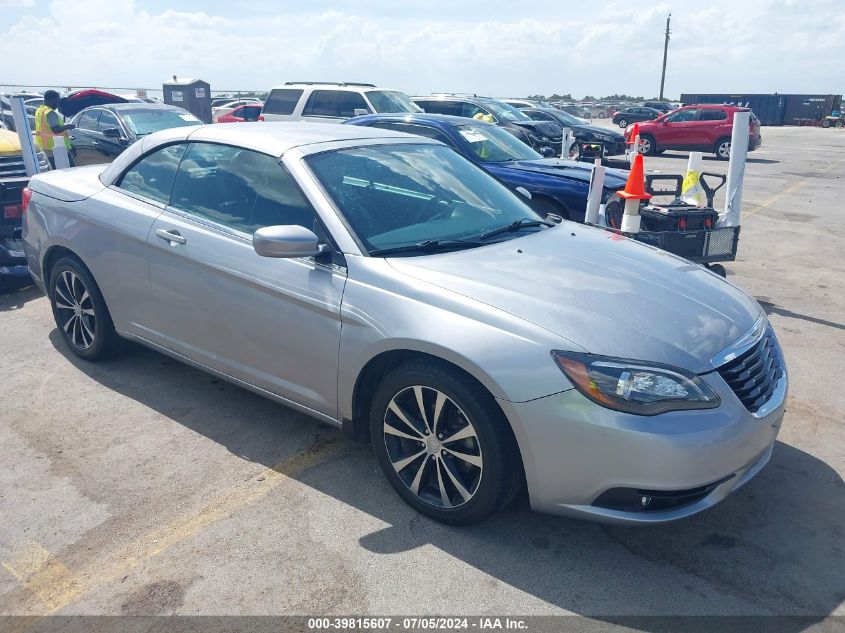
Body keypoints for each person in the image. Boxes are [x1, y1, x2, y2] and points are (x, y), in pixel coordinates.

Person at [34, 90, 75, 167]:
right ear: (52, 100)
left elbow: (47, 127)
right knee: (69, 170)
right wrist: (68, 126)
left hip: (45, 147)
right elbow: (55, 130)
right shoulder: (50, 112)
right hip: (56, 148)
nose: (57, 104)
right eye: (57, 101)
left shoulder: (40, 110)